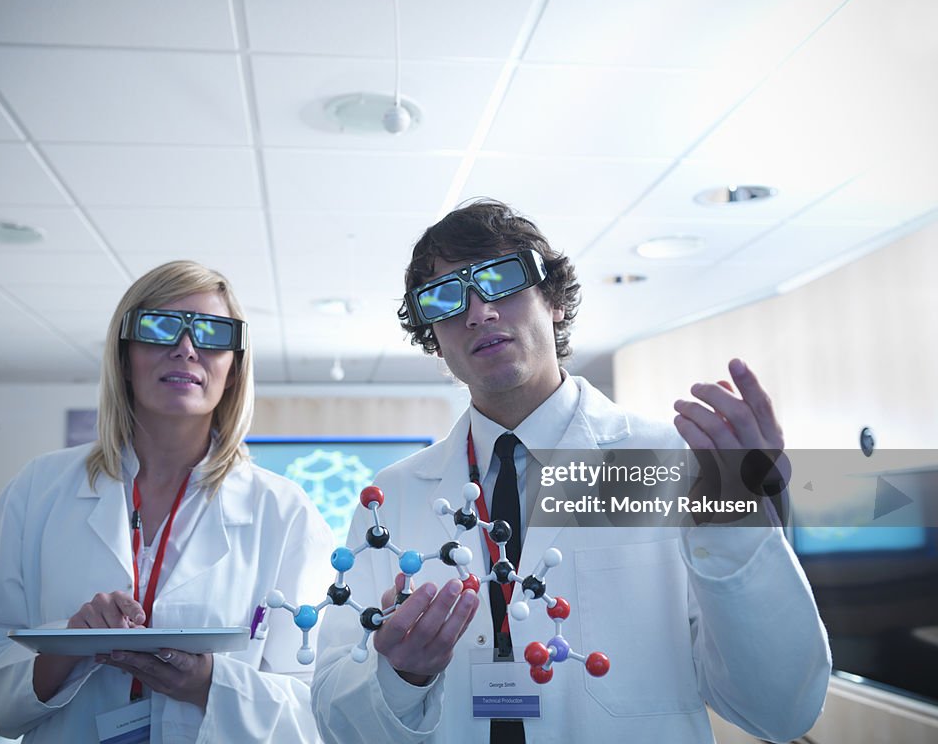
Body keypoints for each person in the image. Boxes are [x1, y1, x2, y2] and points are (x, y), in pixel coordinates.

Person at [311, 200, 831, 743]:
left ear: (553, 300)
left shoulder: (676, 465)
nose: (478, 313)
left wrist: (738, 527)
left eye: (500, 280)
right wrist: (401, 676)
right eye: (444, 299)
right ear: (433, 339)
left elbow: (779, 711)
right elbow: (333, 720)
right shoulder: (390, 500)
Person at [0, 260, 333, 742]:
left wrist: (210, 685)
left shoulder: (283, 511)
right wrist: (67, 646)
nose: (186, 348)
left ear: (233, 369)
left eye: (212, 333)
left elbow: (321, 708)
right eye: (159, 327)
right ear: (124, 358)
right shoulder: (39, 489)